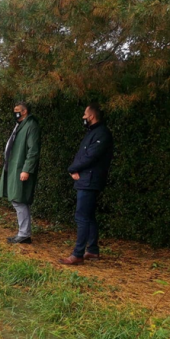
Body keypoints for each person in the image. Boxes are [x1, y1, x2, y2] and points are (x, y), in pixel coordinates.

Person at [59, 103, 114, 265]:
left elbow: (90, 156)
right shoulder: (93, 133)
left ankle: (77, 254)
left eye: (84, 114)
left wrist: (73, 168)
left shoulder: (102, 134)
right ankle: (93, 250)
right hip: (86, 179)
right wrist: (75, 170)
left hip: (90, 180)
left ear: (91, 116)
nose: (83, 117)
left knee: (81, 217)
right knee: (88, 216)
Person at [0, 102, 41, 244]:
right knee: (18, 199)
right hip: (14, 167)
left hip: (20, 168)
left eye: (17, 111)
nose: (14, 113)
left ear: (24, 111)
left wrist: (26, 169)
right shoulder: (21, 124)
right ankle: (24, 233)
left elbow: (33, 150)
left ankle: (24, 234)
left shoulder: (31, 125)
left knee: (19, 200)